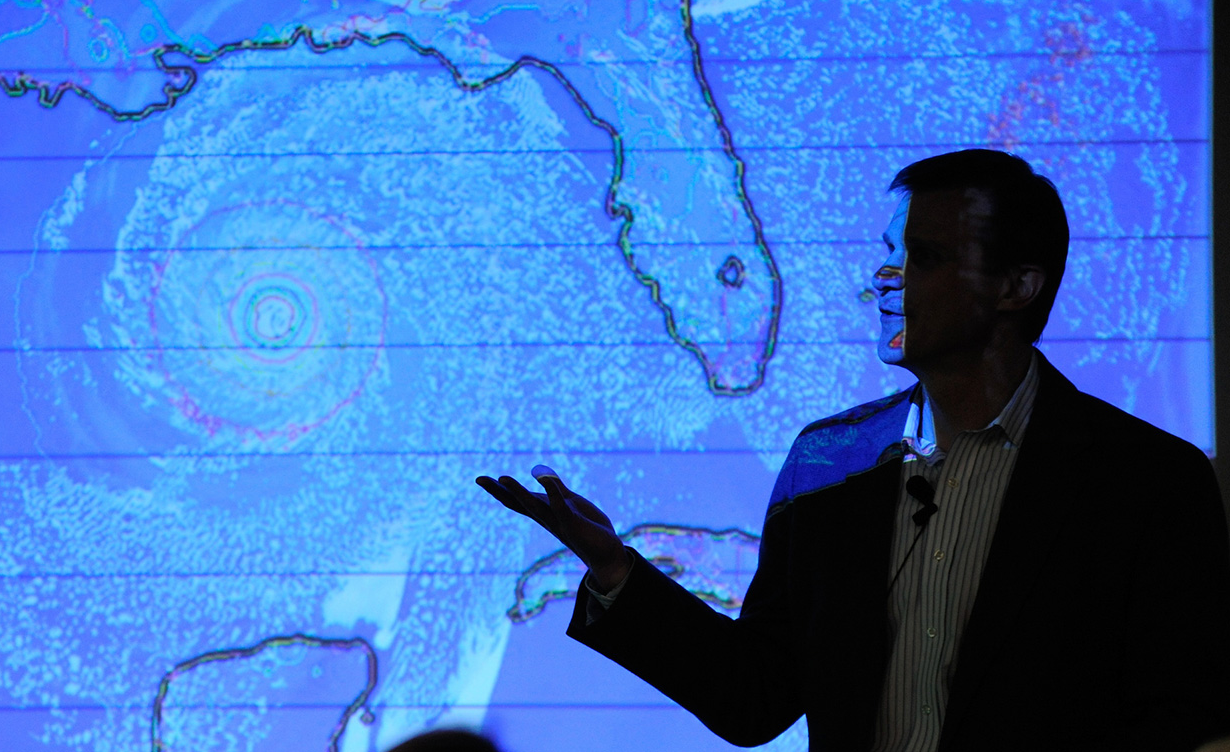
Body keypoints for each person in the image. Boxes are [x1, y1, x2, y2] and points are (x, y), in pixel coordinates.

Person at [477, 149, 1230, 751]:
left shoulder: (1146, 482)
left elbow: (1178, 720)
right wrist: (616, 572)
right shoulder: (827, 464)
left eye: (924, 255)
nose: (885, 278)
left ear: (1016, 286)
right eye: (886, 252)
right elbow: (755, 698)